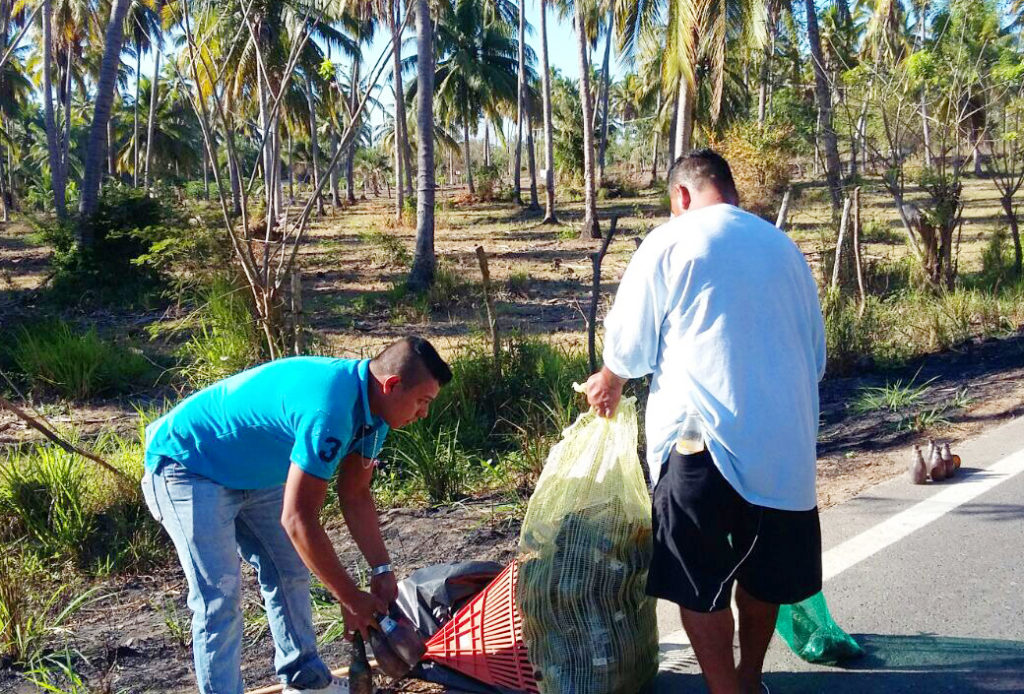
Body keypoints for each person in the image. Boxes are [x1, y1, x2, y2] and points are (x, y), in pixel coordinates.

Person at [584, 150, 826, 694]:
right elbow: (816, 356)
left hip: (703, 441)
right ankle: (749, 679)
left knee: (700, 581)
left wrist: (609, 379)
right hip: (786, 451)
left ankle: (724, 690)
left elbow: (630, 348)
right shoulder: (785, 248)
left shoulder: (674, 239)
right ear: (731, 191)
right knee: (764, 578)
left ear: (682, 196)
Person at [142, 336, 452, 694]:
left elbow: (355, 494)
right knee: (219, 598)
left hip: (255, 474)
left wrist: (381, 570)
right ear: (392, 385)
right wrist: (351, 598)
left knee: (289, 571)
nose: (424, 413)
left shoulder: (376, 416)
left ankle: (306, 680)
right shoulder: (330, 409)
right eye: (422, 402)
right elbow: (298, 519)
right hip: (189, 465)